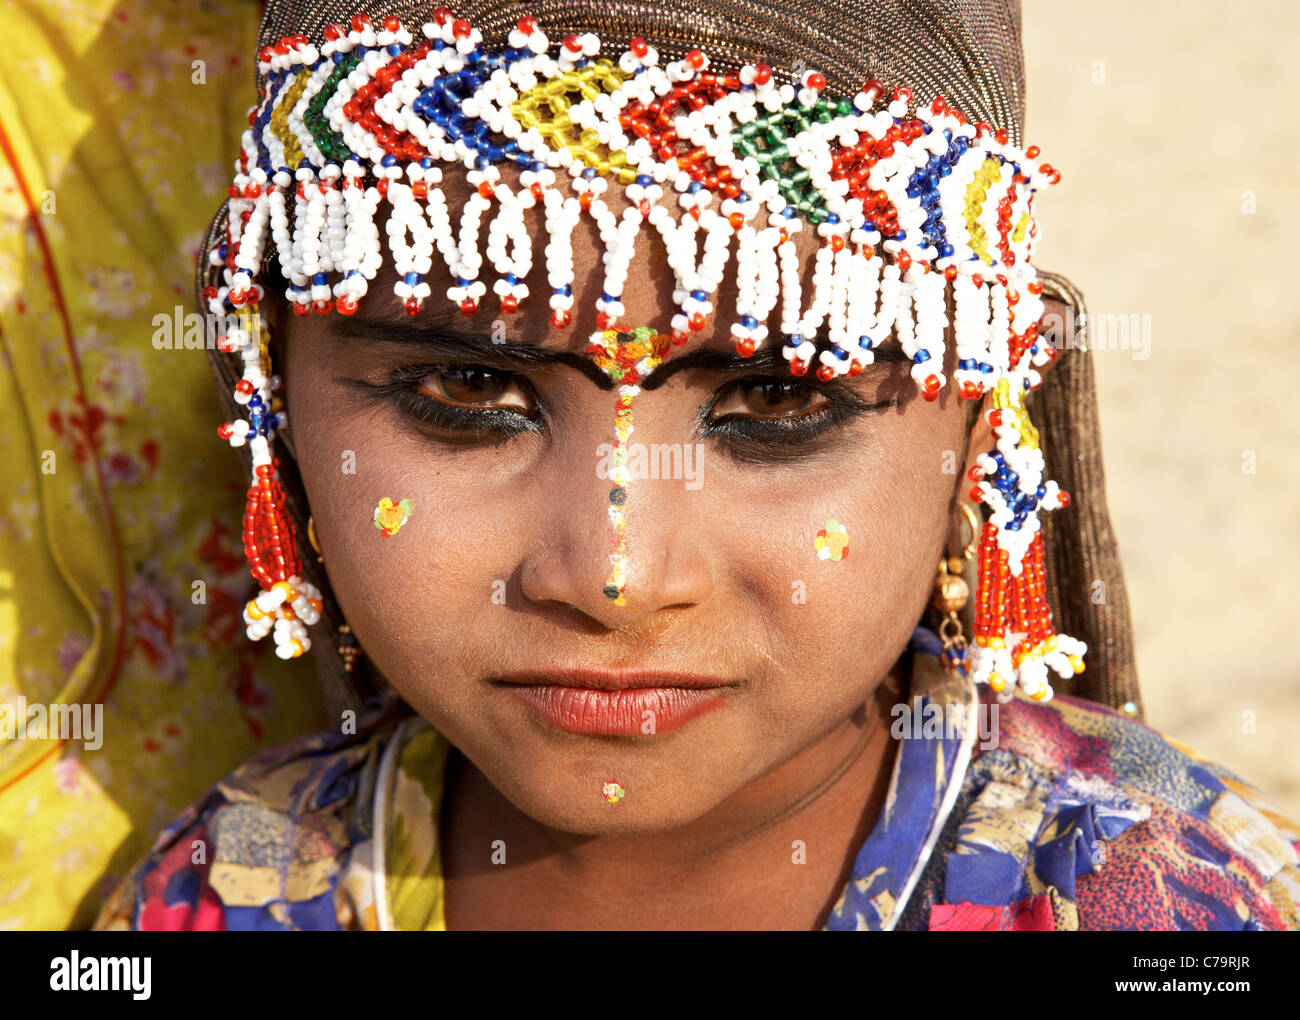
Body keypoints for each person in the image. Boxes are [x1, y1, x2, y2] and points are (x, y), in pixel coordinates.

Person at [94, 0, 1300, 930]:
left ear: (983, 436)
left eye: (776, 400)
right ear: (270, 396)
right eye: (468, 391)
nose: (614, 574)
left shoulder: (1172, 902)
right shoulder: (224, 887)